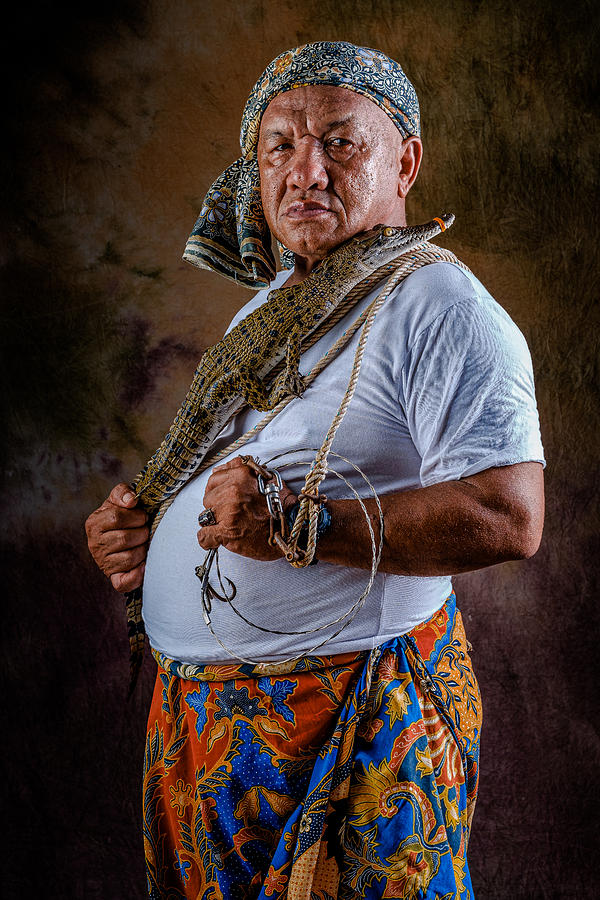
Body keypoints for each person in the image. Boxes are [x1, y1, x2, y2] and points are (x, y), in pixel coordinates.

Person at [85, 41, 545, 899]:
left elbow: (510, 513)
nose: (306, 172)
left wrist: (301, 527)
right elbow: (225, 484)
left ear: (405, 161)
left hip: (357, 719)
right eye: (280, 147)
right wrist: (146, 540)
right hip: (210, 732)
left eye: (340, 143)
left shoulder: (437, 305)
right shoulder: (267, 313)